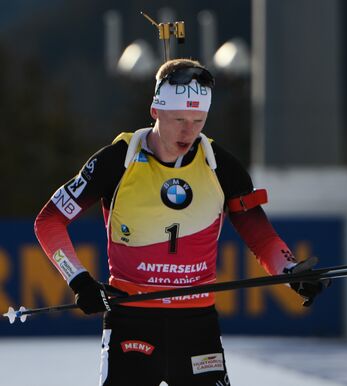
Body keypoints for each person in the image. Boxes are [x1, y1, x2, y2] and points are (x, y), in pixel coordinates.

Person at [34, 58, 328, 386]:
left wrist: (290, 273)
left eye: (198, 119)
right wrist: (79, 281)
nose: (188, 131)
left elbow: (261, 236)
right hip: (132, 318)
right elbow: (48, 222)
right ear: (155, 111)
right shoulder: (118, 160)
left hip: (196, 326)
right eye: (178, 119)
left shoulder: (221, 166)